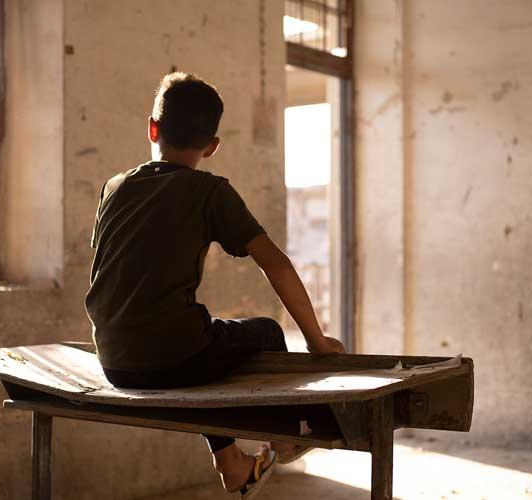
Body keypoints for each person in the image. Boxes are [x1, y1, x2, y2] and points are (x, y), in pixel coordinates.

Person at [84, 72, 344, 496]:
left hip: (113, 361)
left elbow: (111, 273)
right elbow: (276, 264)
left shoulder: (114, 187)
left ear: (153, 128)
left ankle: (232, 463)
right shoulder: (210, 191)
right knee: (266, 332)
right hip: (173, 360)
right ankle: (283, 437)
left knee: (198, 338)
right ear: (212, 146)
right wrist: (316, 341)